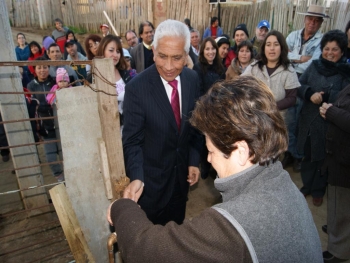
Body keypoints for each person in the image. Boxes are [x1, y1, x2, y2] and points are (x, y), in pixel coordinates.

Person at [108, 76, 323, 263]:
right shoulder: (284, 184)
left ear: (240, 151)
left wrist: (122, 208)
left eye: (211, 151)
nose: (208, 160)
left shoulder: (233, 226)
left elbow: (146, 252)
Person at [122, 19, 201, 226]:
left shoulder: (192, 79)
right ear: (154, 51)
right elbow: (132, 141)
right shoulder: (137, 89)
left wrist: (193, 160)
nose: (168, 66)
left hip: (180, 184)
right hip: (150, 189)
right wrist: (137, 177)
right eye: (162, 56)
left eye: (176, 58)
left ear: (186, 55)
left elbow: (194, 127)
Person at [296, 30, 350, 207]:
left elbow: (345, 101)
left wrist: (327, 97)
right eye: (327, 48)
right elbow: (299, 85)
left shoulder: (345, 73)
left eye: (335, 49)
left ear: (342, 52)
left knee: (323, 158)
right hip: (309, 120)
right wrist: (309, 93)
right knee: (308, 154)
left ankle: (318, 190)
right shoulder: (314, 66)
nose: (330, 53)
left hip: (329, 125)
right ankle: (306, 186)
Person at [283, 4, 328, 172]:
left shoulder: (321, 41)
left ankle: (298, 155)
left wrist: (293, 58)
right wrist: (300, 58)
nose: (312, 23)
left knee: (300, 120)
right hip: (288, 81)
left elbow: (313, 64)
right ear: (305, 19)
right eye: (310, 19)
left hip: (305, 82)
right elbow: (283, 55)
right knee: (288, 119)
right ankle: (289, 153)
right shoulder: (293, 35)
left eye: (317, 21)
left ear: (321, 23)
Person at [320, 84, 350, 263]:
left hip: (346, 162)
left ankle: (339, 251)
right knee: (339, 202)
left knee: (343, 204)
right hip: (339, 156)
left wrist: (331, 112)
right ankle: (337, 230)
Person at [242, 30, 299, 119]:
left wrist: (270, 108)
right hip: (254, 119)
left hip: (277, 121)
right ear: (264, 48)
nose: (272, 48)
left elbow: (292, 98)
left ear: (282, 47)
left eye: (276, 45)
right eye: (268, 45)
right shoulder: (254, 67)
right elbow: (239, 85)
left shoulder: (289, 71)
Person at [27, 57, 64, 182]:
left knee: (65, 156)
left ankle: (70, 180)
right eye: (39, 67)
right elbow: (31, 107)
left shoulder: (55, 82)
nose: (42, 70)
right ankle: (60, 178)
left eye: (45, 67)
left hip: (60, 125)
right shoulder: (31, 86)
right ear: (35, 69)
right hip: (45, 128)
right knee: (51, 158)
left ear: (49, 68)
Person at [193, 37, 225, 179]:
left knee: (216, 139)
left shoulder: (220, 67)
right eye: (207, 49)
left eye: (213, 48)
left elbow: (223, 88)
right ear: (202, 51)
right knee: (204, 141)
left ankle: (215, 166)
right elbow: (198, 91)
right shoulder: (198, 68)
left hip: (218, 110)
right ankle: (205, 166)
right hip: (204, 110)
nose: (210, 51)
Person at [96, 35, 137, 127]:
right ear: (102, 51)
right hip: (106, 129)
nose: (115, 55)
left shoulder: (127, 74)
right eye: (111, 50)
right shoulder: (94, 78)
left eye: (118, 51)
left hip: (127, 128)